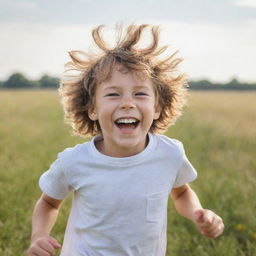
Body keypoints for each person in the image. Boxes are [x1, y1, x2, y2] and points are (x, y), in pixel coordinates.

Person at [28, 24, 224, 256]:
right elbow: (49, 203)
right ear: (92, 109)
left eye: (140, 93)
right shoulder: (74, 161)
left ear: (157, 107)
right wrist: (39, 236)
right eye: (113, 94)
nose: (128, 103)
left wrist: (198, 213)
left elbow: (181, 193)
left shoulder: (169, 155)